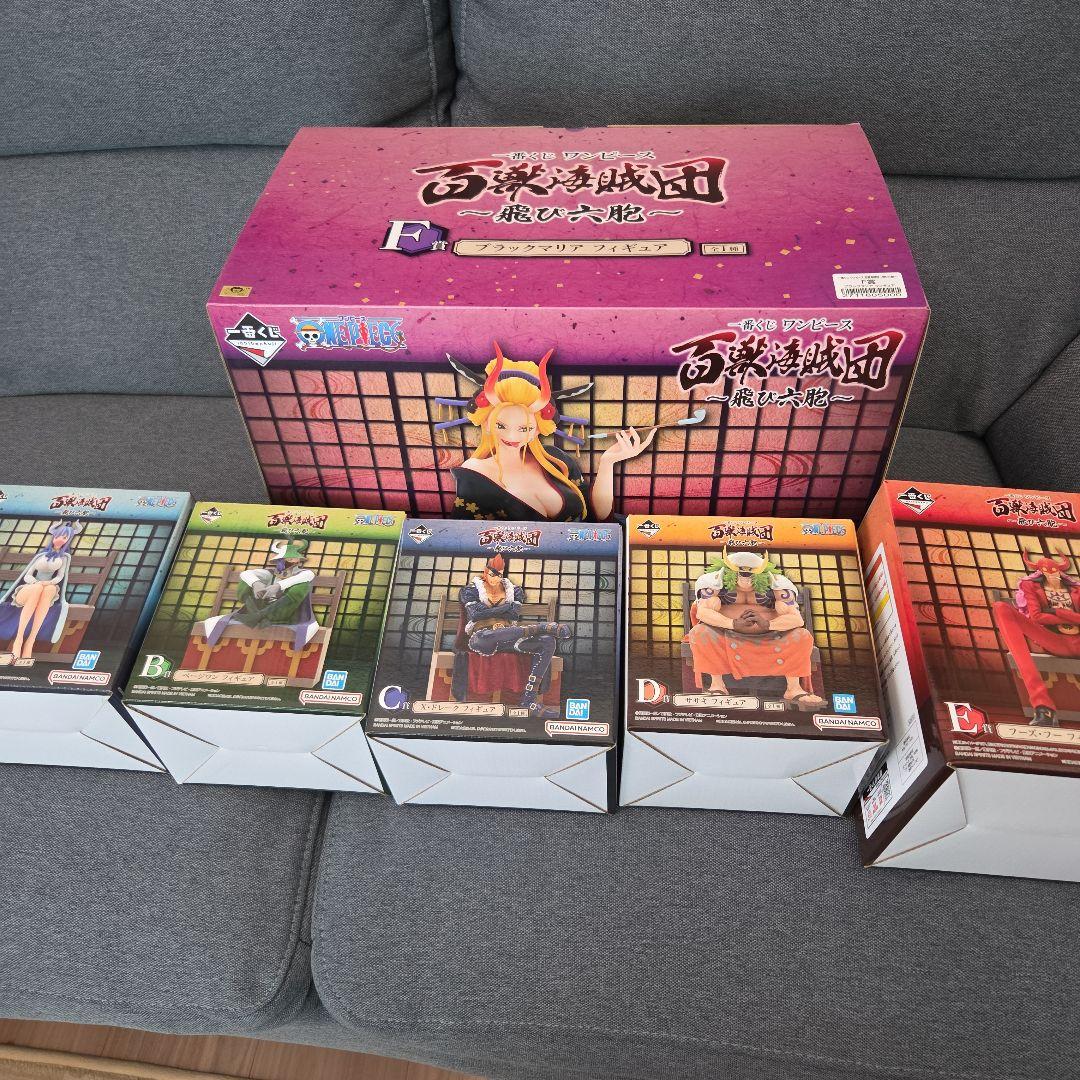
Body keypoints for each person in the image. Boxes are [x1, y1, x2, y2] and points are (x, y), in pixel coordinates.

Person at [440, 343, 654, 521]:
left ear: (537, 430)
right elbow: (464, 538)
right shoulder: (475, 472)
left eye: (524, 428)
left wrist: (608, 463)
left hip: (586, 551)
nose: (512, 436)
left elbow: (596, 516)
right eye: (501, 425)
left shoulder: (555, 460)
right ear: (486, 423)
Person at [686, 547, 825, 710]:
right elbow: (703, 612)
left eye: (751, 573)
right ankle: (717, 686)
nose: (745, 578)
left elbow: (796, 619)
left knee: (802, 635)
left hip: (771, 636)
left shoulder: (778, 585)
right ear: (729, 571)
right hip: (726, 634)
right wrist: (732, 623)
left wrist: (768, 624)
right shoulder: (713, 583)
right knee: (700, 632)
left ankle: (793, 688)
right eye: (741, 573)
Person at [455, 554, 572, 720]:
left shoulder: (513, 590)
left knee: (548, 641)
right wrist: (505, 608)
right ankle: (541, 627)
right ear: (485, 572)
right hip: (482, 638)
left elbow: (514, 614)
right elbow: (475, 614)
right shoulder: (471, 590)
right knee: (487, 636)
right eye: (493, 574)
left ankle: (528, 700)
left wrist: (490, 611)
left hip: (509, 638)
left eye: (499, 574)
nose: (496, 578)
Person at [993, 550, 1080, 726]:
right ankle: (1043, 706)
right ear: (1040, 573)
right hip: (1055, 640)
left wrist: (1057, 612)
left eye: (1054, 570)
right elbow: (1037, 616)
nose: (1051, 574)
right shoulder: (1031, 586)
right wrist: (1070, 617)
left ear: (1061, 571)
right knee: (1000, 607)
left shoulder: (1077, 589)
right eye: (1046, 571)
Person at [200, 538, 320, 652]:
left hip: (283, 613)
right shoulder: (270, 574)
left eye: (290, 559)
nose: (285, 562)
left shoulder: (303, 574)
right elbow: (245, 574)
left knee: (302, 586)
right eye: (282, 559)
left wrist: (278, 586)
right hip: (258, 606)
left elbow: (308, 576)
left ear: (297, 561)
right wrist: (256, 584)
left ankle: (259, 616)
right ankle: (257, 614)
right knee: (247, 582)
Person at [0, 518, 84, 666]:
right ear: (53, 536)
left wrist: (48, 583)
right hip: (28, 590)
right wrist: (36, 582)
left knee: (50, 589)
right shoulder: (41, 555)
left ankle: (30, 642)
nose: (60, 539)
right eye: (58, 536)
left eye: (64, 537)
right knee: (39, 588)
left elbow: (60, 577)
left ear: (68, 540)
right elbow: (27, 575)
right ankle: (18, 641)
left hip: (46, 590)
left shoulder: (64, 557)